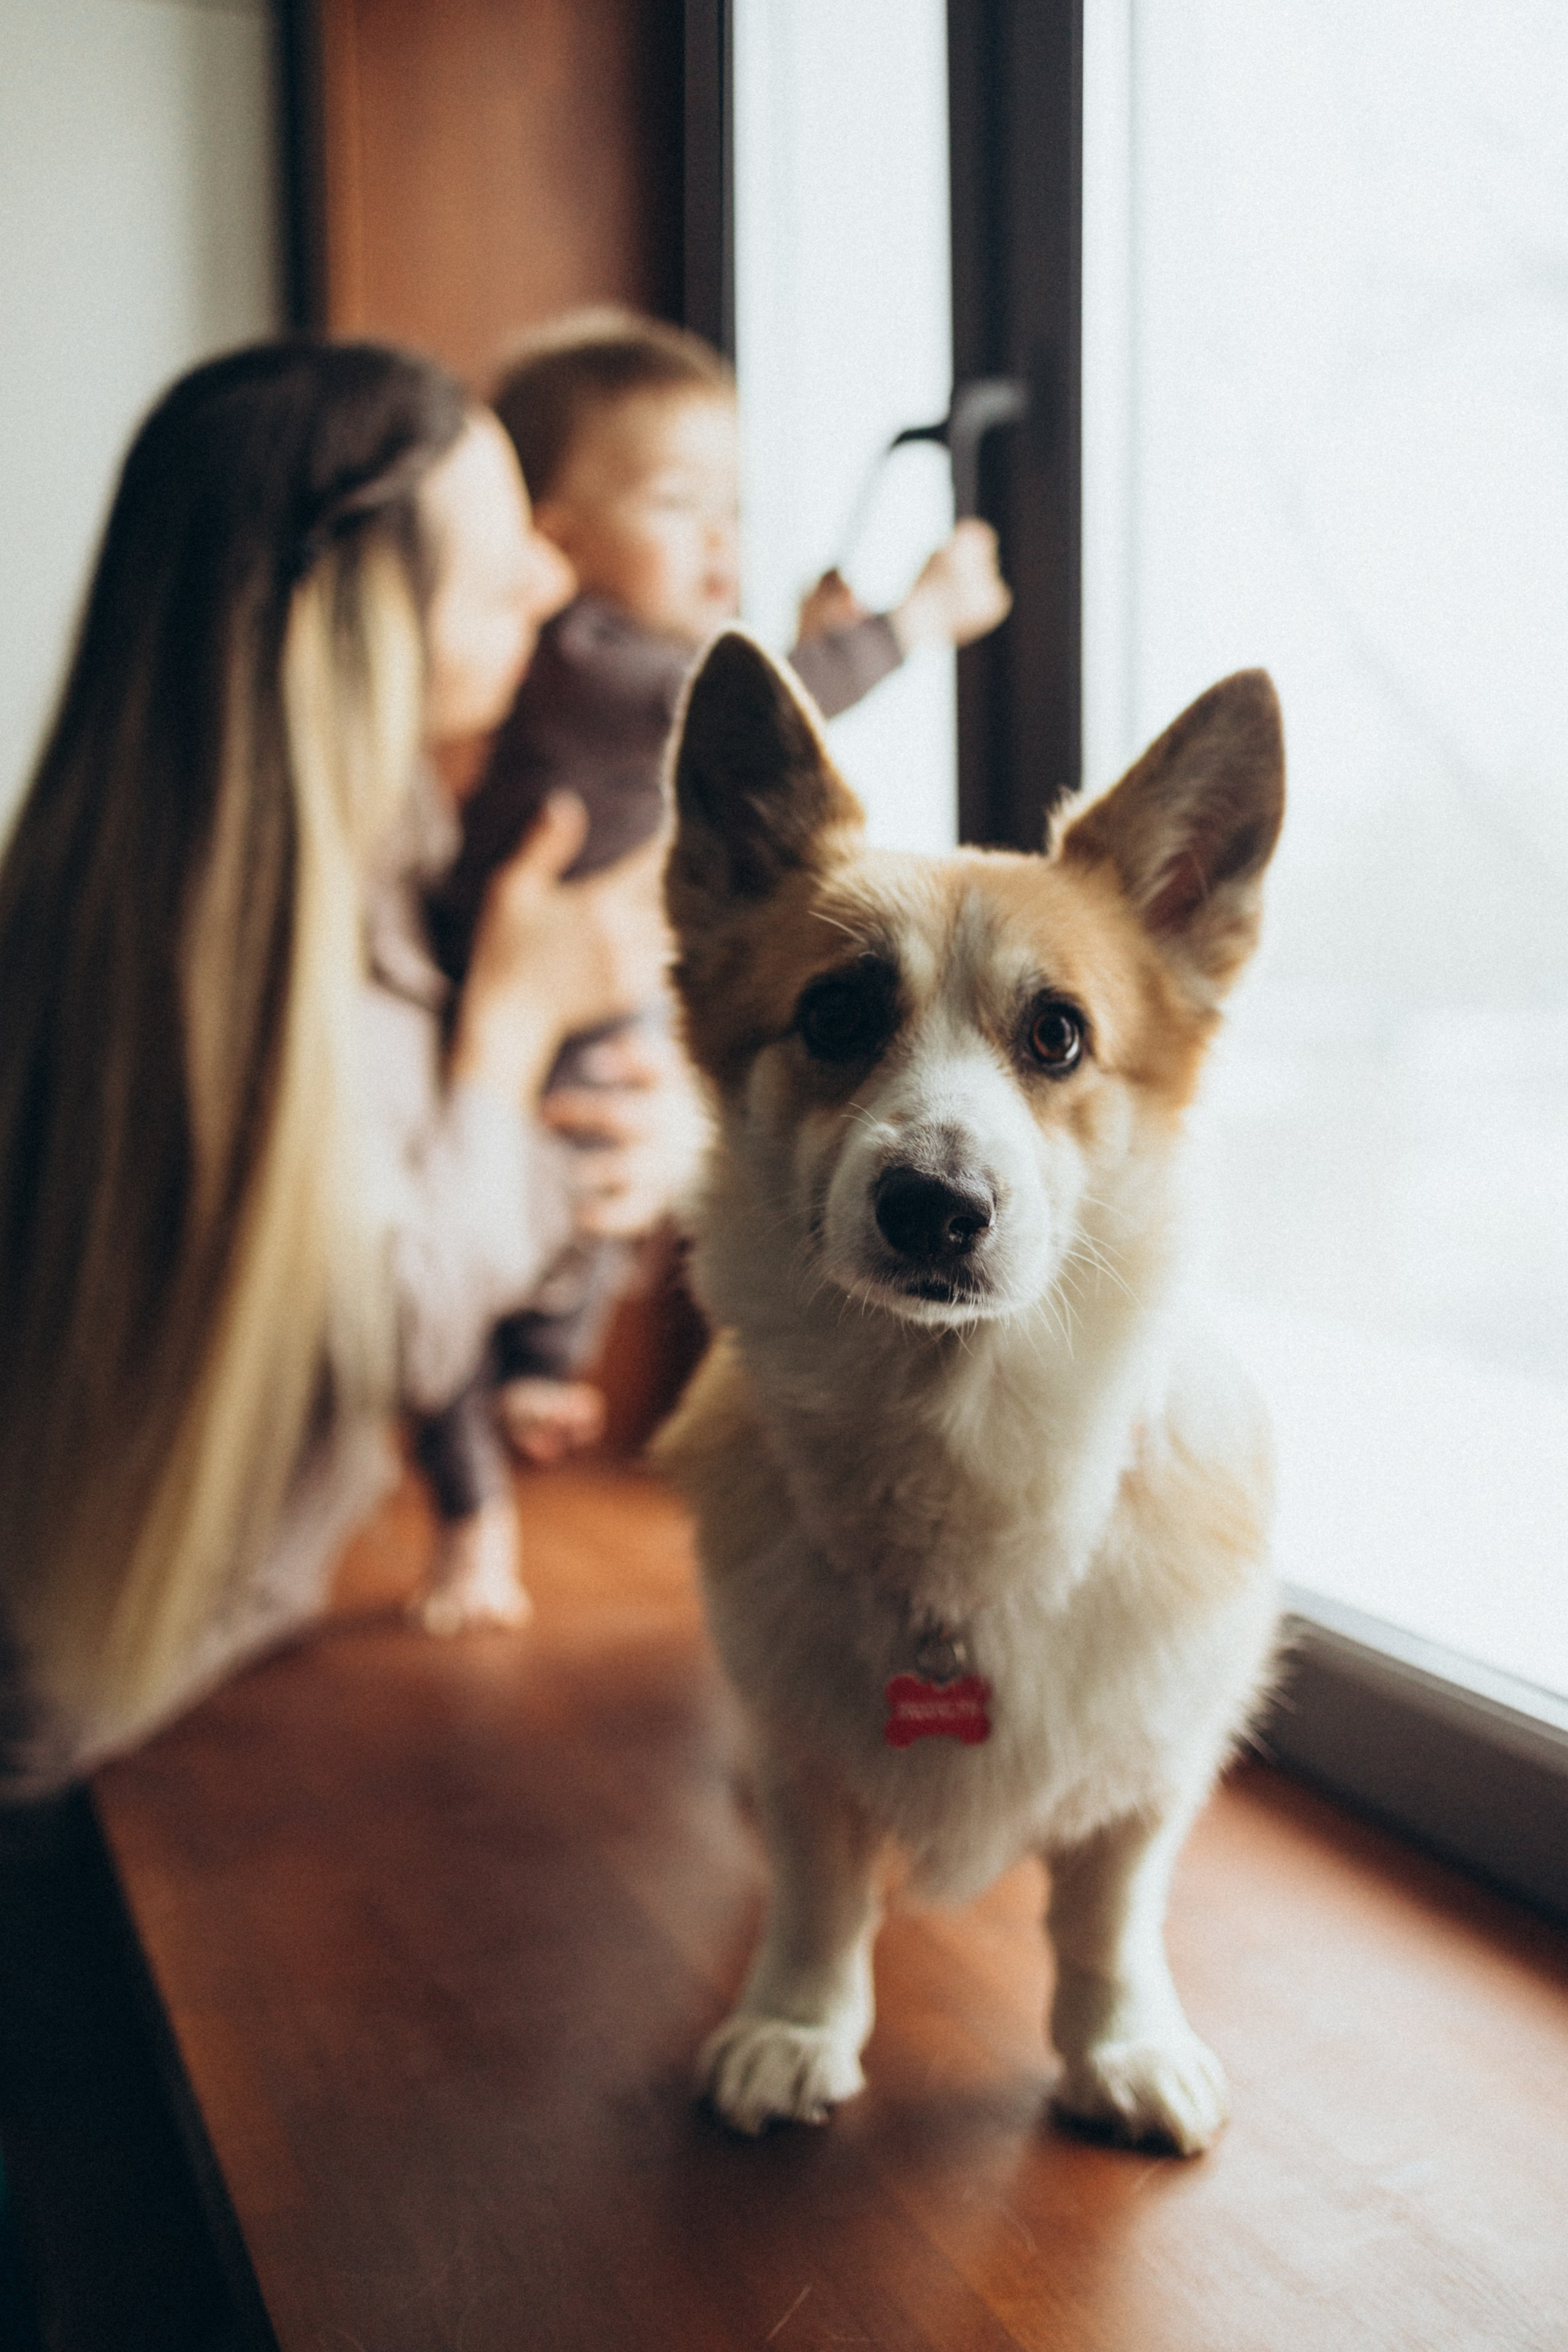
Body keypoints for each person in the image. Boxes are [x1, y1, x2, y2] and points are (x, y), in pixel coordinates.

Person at [0, 339, 684, 1795]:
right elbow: (400, 1330)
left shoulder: (374, 856)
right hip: (68, 1762)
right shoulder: (203, 964)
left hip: (199, 1664)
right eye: (496, 571)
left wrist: (645, 1133)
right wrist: (511, 1030)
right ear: (356, 629)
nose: (550, 585)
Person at [417, 306, 1012, 1566]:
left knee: (612, 1180)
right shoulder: (582, 655)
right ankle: (484, 1471)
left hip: (590, 981)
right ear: (555, 544)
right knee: (531, 1209)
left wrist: (812, 643)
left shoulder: (619, 668)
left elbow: (753, 714)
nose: (717, 538)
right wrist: (917, 620)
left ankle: (536, 1372)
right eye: (676, 504)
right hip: (520, 984)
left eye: (730, 508)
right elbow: (746, 699)